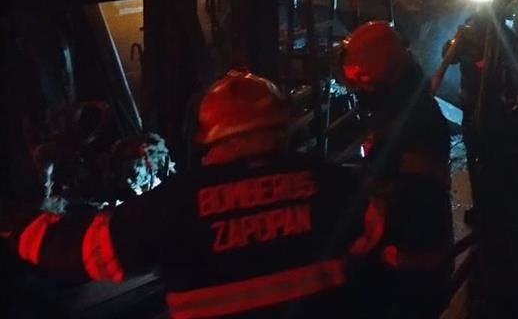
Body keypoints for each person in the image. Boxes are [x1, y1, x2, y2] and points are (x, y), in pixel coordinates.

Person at [1, 69, 385, 318]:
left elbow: (86, 252)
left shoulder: (173, 205)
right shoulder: (334, 183)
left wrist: (20, 227)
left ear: (207, 134)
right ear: (281, 127)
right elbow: (376, 236)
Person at [339, 21, 453, 318]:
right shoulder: (401, 110)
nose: (362, 93)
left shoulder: (413, 122)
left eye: (366, 83)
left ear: (384, 74)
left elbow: (415, 200)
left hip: (409, 270)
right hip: (403, 264)